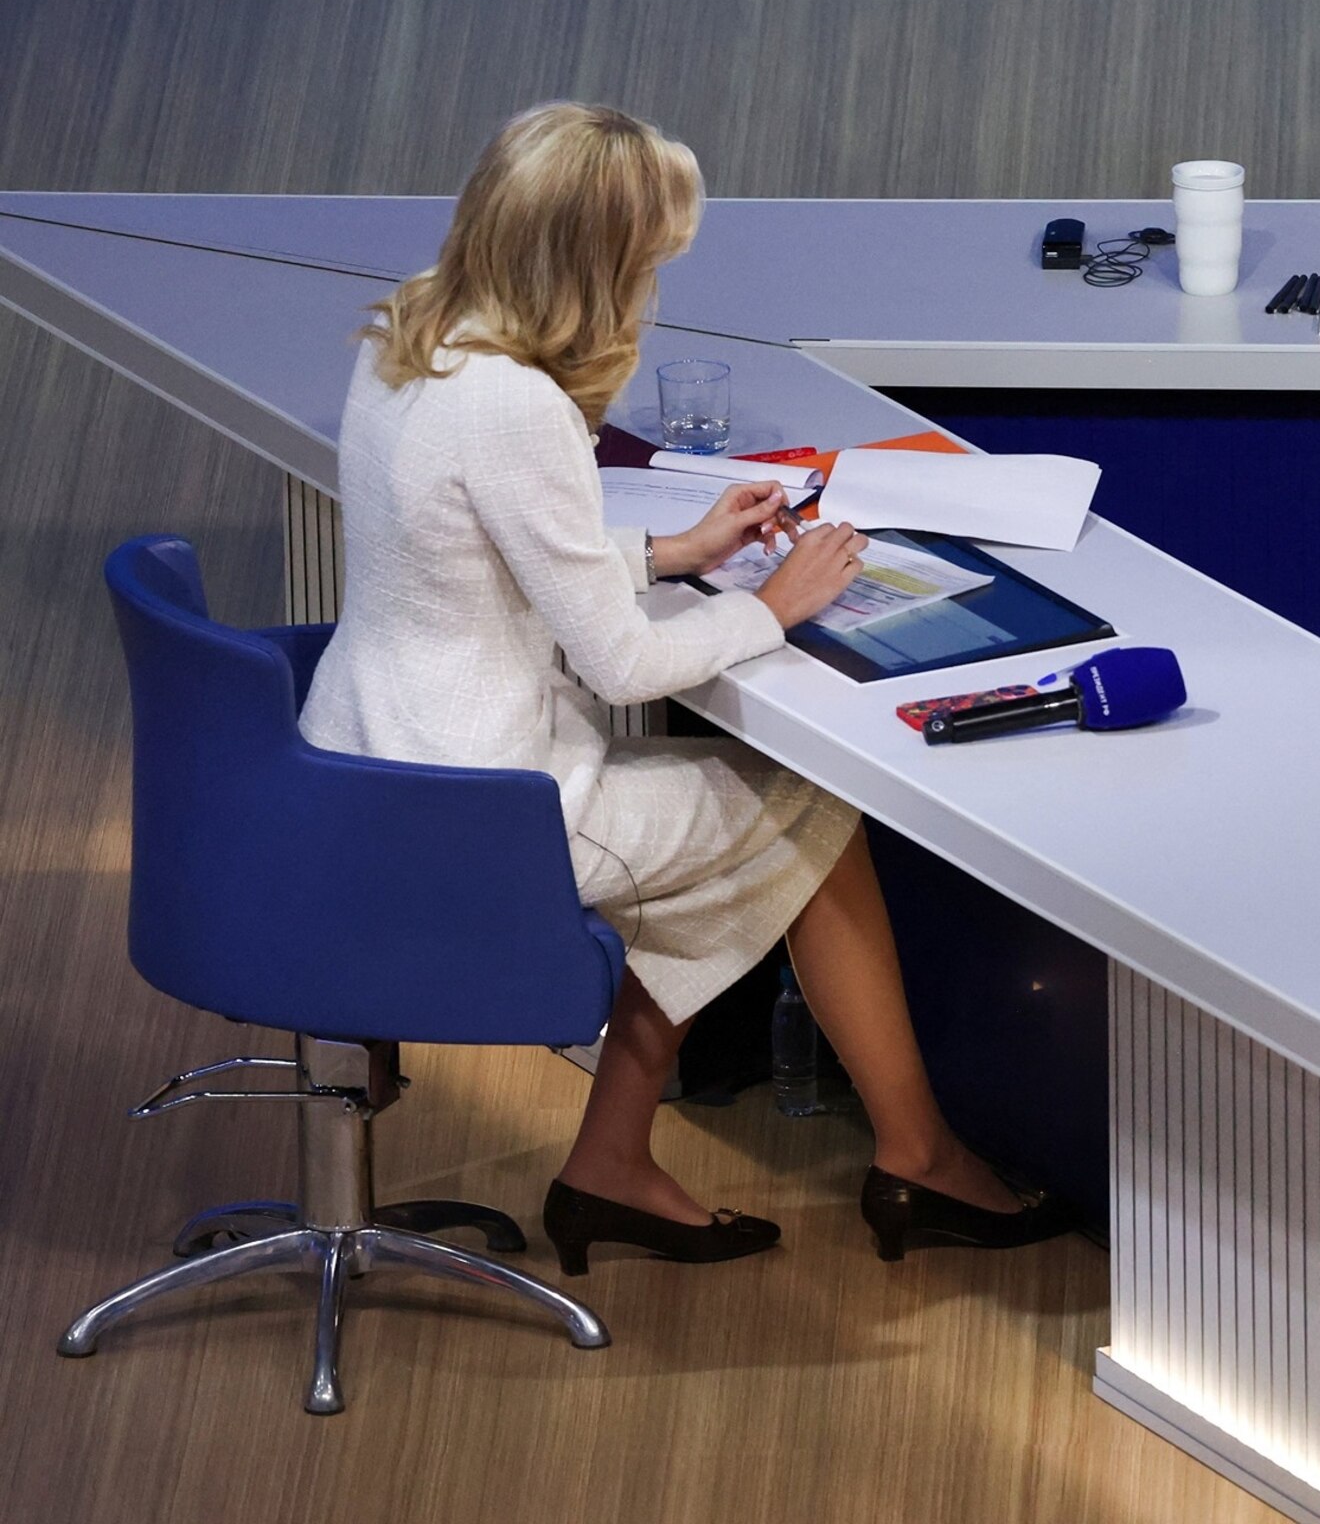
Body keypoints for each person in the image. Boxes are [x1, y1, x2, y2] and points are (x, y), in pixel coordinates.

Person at [299, 102, 1070, 1271]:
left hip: (361, 758)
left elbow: (466, 555)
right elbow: (621, 664)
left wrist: (671, 554)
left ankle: (620, 1159)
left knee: (740, 836)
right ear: (597, 261)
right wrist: (779, 601)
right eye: (650, 260)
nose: (655, 286)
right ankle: (918, 1154)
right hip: (487, 812)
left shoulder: (417, 322)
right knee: (809, 805)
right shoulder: (518, 403)